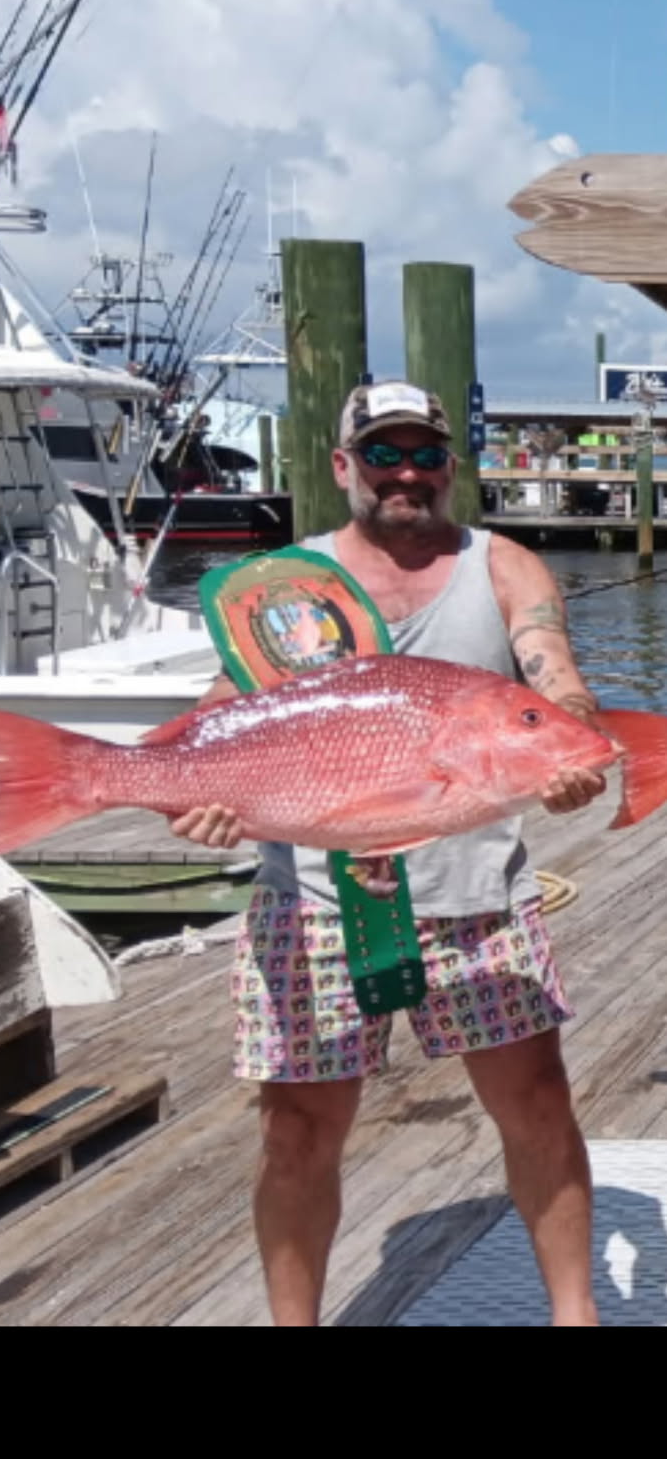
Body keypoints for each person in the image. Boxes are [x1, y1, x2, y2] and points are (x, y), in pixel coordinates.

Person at [172, 379, 607, 1328]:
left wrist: (569, 747)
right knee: (295, 1131)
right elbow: (227, 711)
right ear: (342, 466)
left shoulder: (504, 567)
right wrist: (194, 788)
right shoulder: (289, 582)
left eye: (424, 454)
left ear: (450, 467)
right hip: (315, 897)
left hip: (476, 892)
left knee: (537, 1105)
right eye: (382, 453)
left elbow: (557, 681)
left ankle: (578, 1316)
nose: (406, 472)